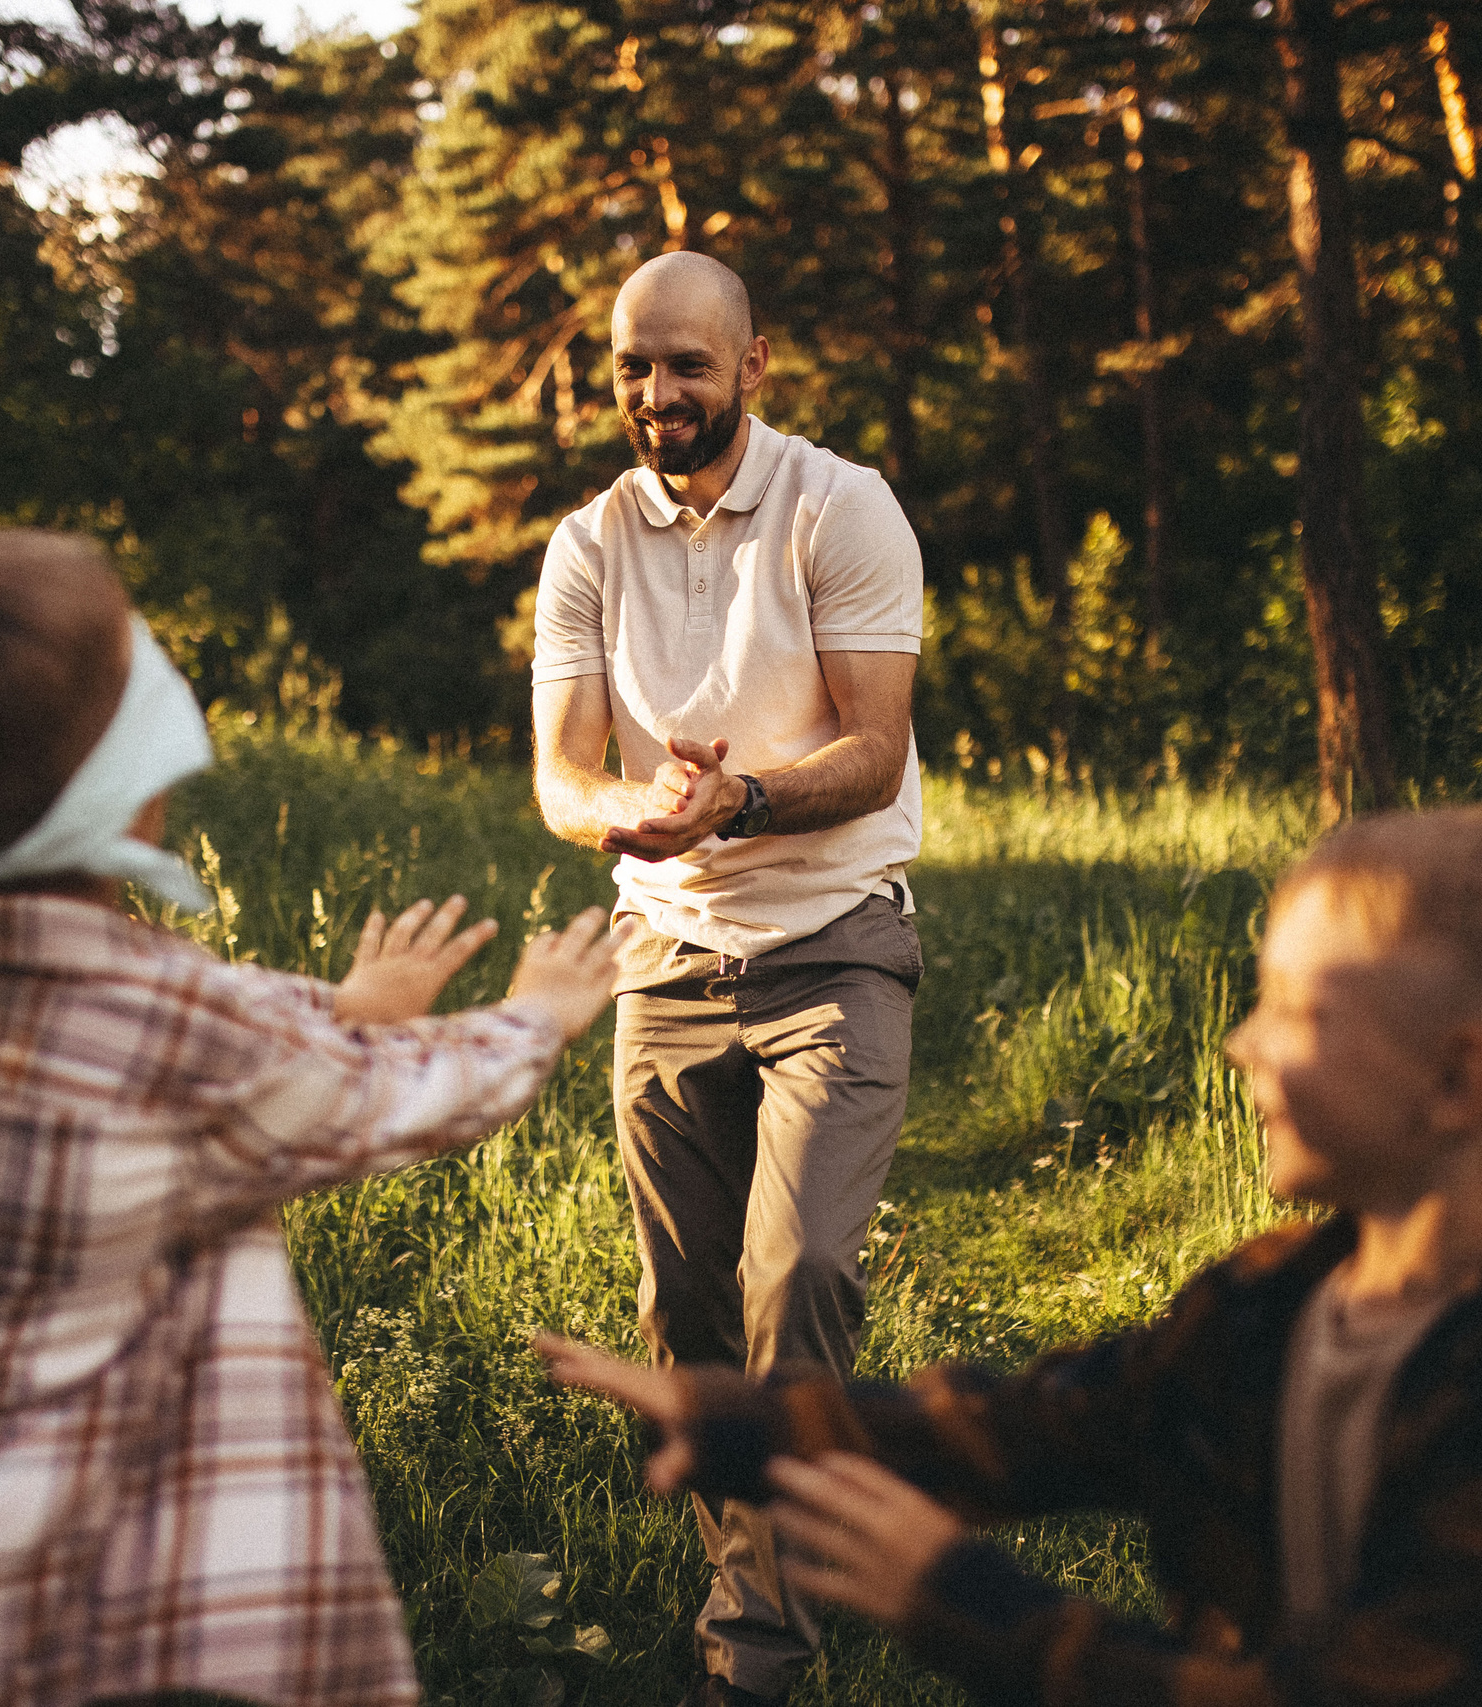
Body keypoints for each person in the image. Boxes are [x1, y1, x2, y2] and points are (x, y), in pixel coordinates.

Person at [0, 529, 625, 1707]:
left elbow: (179, 1021)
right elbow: (395, 1097)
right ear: (127, 786)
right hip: (1, 1628)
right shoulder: (163, 1033)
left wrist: (341, 1005)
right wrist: (535, 1015)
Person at [546, 802, 1482, 1706]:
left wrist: (967, 1604)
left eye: (1296, 1012)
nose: (1240, 1043)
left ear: (1458, 1081)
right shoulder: (1272, 1300)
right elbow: (1044, 1423)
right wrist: (744, 1422)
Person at [530, 252, 926, 1706]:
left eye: (688, 365)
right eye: (636, 367)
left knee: (798, 1270)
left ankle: (755, 1654)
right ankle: (773, 1544)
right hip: (666, 956)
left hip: (835, 940)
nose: (658, 394)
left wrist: (737, 797)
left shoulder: (842, 505)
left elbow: (874, 749)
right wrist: (622, 814)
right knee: (684, 1312)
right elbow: (562, 774)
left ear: (753, 366)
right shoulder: (585, 545)